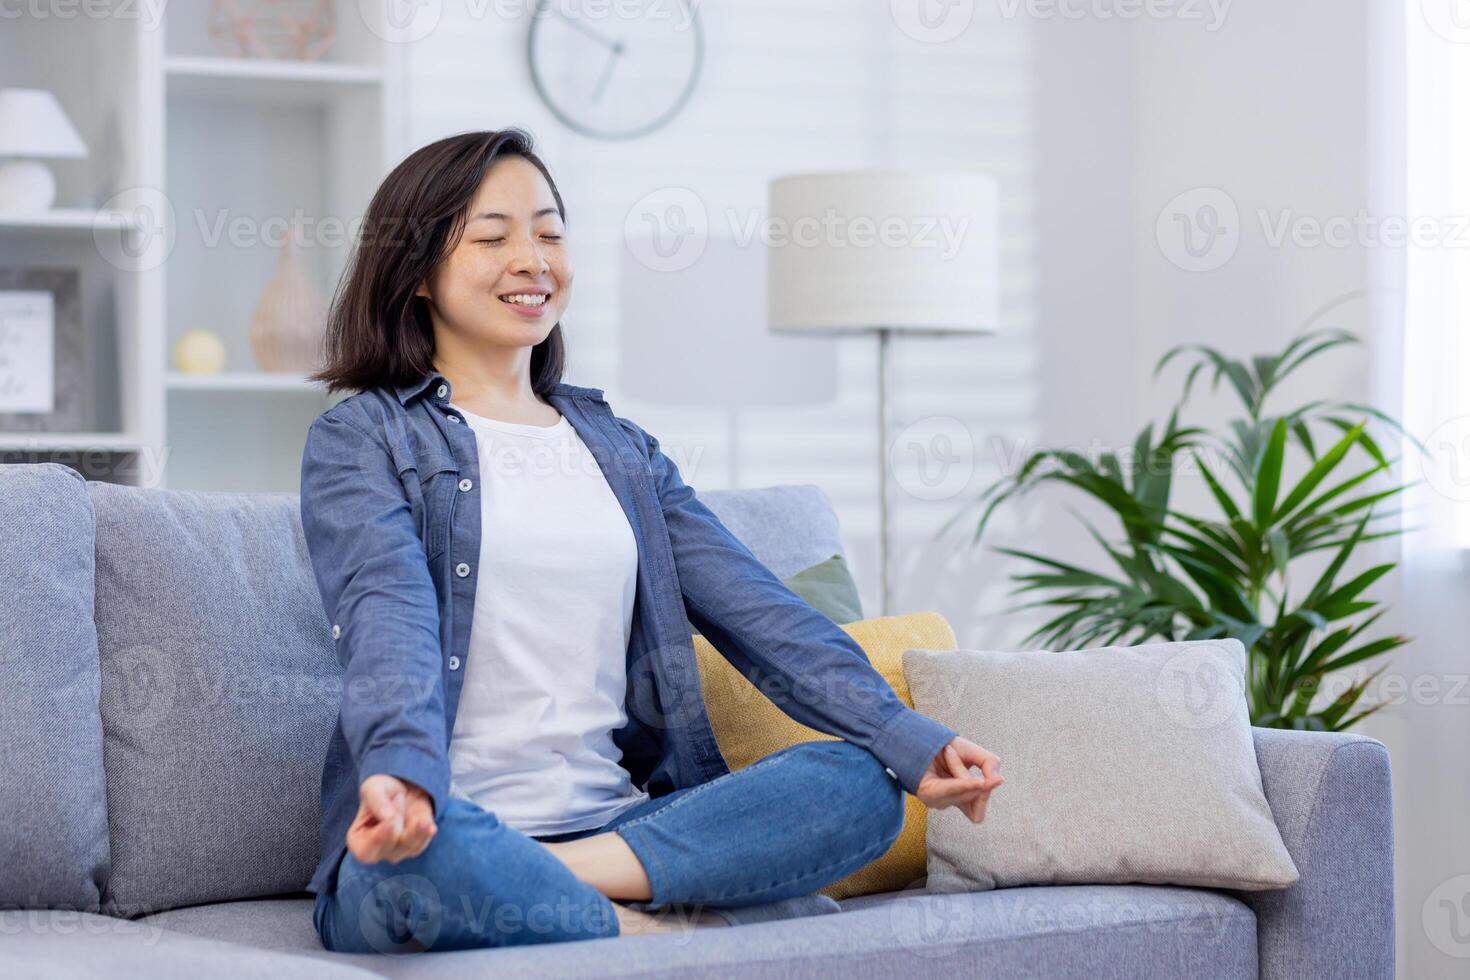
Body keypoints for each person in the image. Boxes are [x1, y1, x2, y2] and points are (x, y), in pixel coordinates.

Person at [298, 128, 1003, 955]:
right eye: (493, 237)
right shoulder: (363, 439)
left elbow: (761, 614)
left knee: (859, 787)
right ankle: (664, 929)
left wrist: (907, 739)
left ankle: (561, 893)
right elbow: (389, 617)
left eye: (551, 232)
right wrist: (401, 774)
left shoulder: (620, 450)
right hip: (440, 827)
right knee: (412, 869)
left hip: (617, 827)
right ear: (416, 272)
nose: (532, 258)